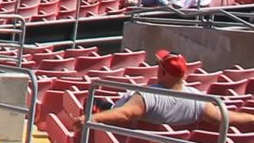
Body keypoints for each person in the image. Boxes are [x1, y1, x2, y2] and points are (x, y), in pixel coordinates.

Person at [91, 51, 254, 132]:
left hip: (125, 138)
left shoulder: (146, 96)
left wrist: (91, 118)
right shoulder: (198, 100)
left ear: (162, 72)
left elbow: (124, 114)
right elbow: (224, 117)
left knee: (92, 101)